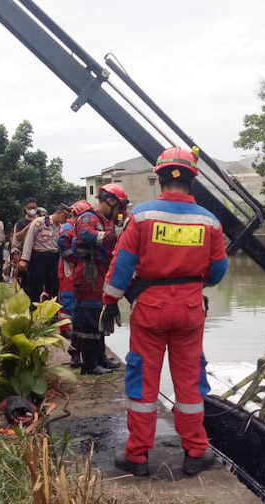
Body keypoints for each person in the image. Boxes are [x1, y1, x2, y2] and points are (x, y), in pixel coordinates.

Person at [100, 147, 228, 477]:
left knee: (143, 379)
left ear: (159, 178)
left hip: (150, 309)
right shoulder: (210, 221)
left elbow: (122, 266)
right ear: (192, 179)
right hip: (190, 308)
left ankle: (138, 455)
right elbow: (217, 272)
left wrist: (109, 302)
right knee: (189, 381)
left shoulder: (142, 217)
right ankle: (196, 452)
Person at [73, 184, 127, 375]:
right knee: (89, 318)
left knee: (99, 315)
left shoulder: (106, 220)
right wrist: (114, 235)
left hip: (100, 272)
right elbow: (86, 235)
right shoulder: (89, 218)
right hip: (89, 273)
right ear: (110, 201)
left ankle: (100, 357)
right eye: (117, 207)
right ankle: (89, 364)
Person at [59, 199, 93, 368]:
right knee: (74, 313)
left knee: (81, 315)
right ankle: (75, 353)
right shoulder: (68, 228)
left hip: (78, 275)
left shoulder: (77, 228)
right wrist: (75, 260)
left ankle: (84, 354)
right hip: (69, 276)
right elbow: (64, 248)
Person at [20, 203, 68, 304]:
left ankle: (51, 314)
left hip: (53, 258)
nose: (66, 219)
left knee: (53, 287)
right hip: (38, 258)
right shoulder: (39, 222)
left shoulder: (61, 227)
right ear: (59, 213)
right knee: (35, 287)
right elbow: (29, 240)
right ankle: (33, 313)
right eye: (65, 216)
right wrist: (24, 259)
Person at [11, 198, 39, 293]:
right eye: (30, 208)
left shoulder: (41, 221)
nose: (32, 210)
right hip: (24, 254)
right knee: (25, 281)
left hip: (37, 253)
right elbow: (17, 237)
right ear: (25, 208)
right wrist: (30, 226)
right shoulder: (21, 222)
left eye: (34, 207)